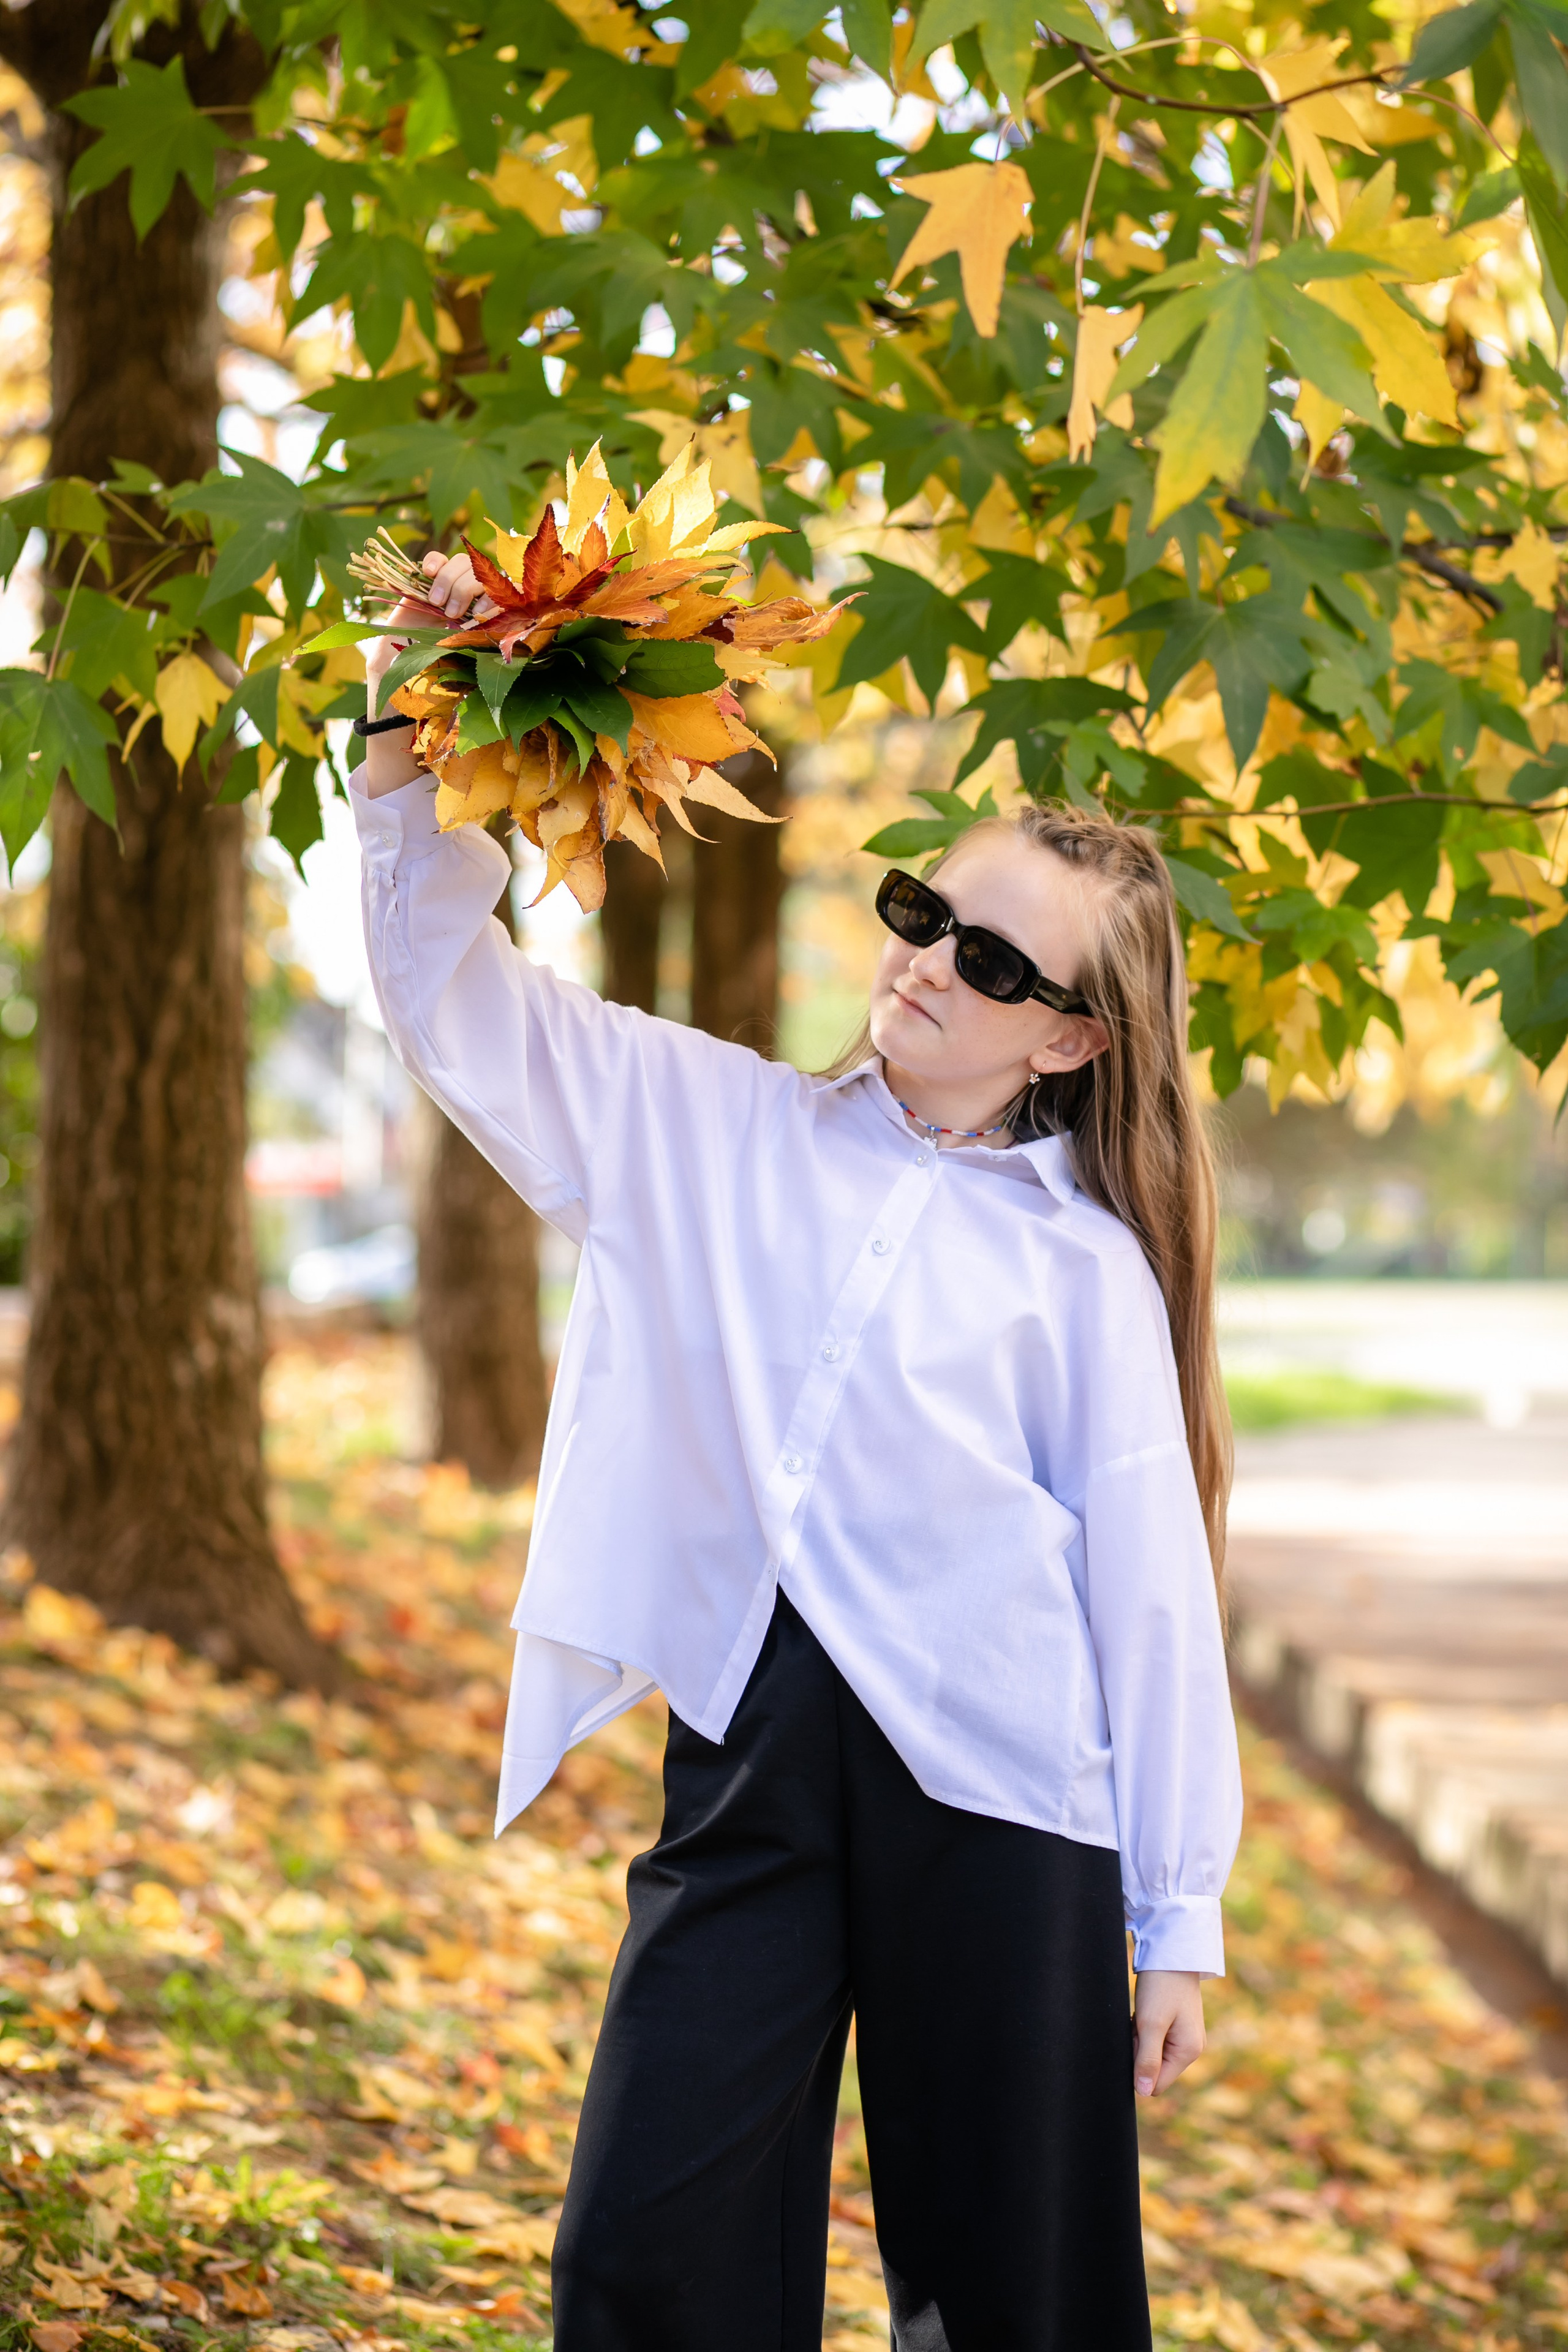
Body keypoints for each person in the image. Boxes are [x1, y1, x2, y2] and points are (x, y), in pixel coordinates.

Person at [353, 548, 1243, 2352]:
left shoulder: (1087, 1275)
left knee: (1011, 2302)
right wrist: (411, 714)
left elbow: (1149, 1594)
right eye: (926, 913)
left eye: (994, 963)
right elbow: (454, 995)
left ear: (1070, 1037)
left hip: (1005, 1800)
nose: (930, 965)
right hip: (755, 1752)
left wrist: (1178, 1915)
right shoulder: (712, 1127)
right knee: (643, 2257)